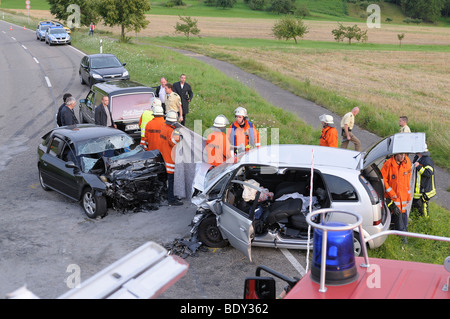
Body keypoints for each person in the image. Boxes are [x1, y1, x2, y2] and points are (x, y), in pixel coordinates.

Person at [381, 153, 412, 232]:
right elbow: (383, 180)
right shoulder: (388, 164)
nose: (403, 157)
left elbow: (407, 181)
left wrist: (408, 196)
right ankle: (402, 237)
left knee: (402, 219)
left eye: (404, 154)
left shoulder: (407, 162)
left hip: (403, 198)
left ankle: (402, 234)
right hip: (393, 198)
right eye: (401, 154)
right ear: (396, 154)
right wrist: (391, 193)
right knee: (397, 218)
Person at [159, 110, 183, 206]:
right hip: (170, 158)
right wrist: (178, 132)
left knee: (169, 179)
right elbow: (174, 142)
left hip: (165, 155)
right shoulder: (171, 130)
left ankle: (170, 195)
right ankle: (172, 199)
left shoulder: (164, 127)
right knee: (172, 180)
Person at [412, 147, 436, 218]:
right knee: (416, 206)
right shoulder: (417, 158)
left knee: (423, 208)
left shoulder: (427, 160)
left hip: (424, 190)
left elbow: (429, 173)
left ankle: (425, 221)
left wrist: (419, 167)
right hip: (417, 190)